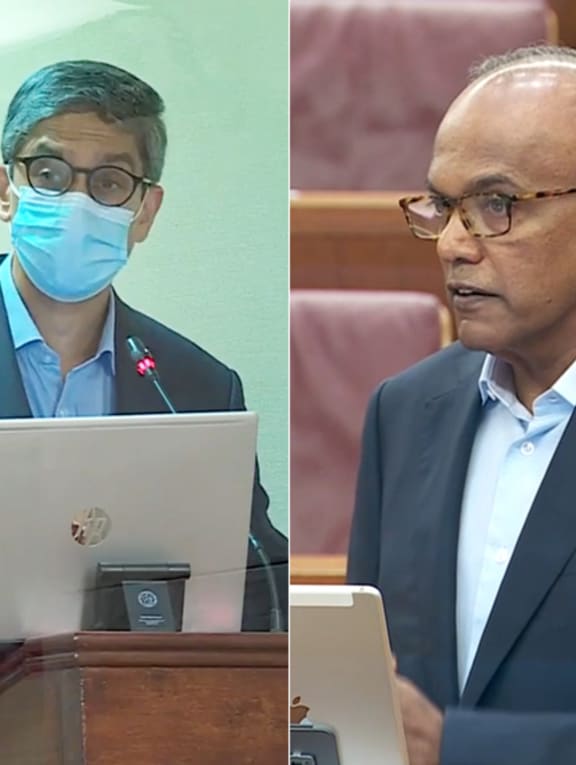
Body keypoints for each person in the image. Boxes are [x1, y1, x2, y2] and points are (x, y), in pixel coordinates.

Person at [0, 60, 287, 634]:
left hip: (131, 707)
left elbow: (257, 579)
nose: (78, 202)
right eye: (50, 174)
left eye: (109, 182)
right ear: (6, 191)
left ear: (144, 213)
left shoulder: (198, 388)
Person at [348, 45, 576, 765]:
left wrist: (460, 745)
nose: (451, 244)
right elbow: (370, 688)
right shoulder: (405, 410)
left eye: (495, 205)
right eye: (443, 206)